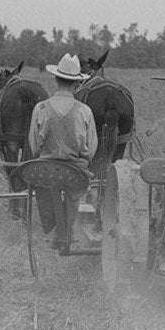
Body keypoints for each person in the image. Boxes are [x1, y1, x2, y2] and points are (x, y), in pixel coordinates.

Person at [28, 53, 98, 254]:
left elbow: (34, 146)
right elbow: (91, 148)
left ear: (56, 79)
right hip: (74, 172)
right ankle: (65, 231)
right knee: (74, 192)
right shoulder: (84, 110)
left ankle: (56, 230)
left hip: (46, 171)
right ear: (77, 84)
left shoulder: (40, 108)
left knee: (46, 185)